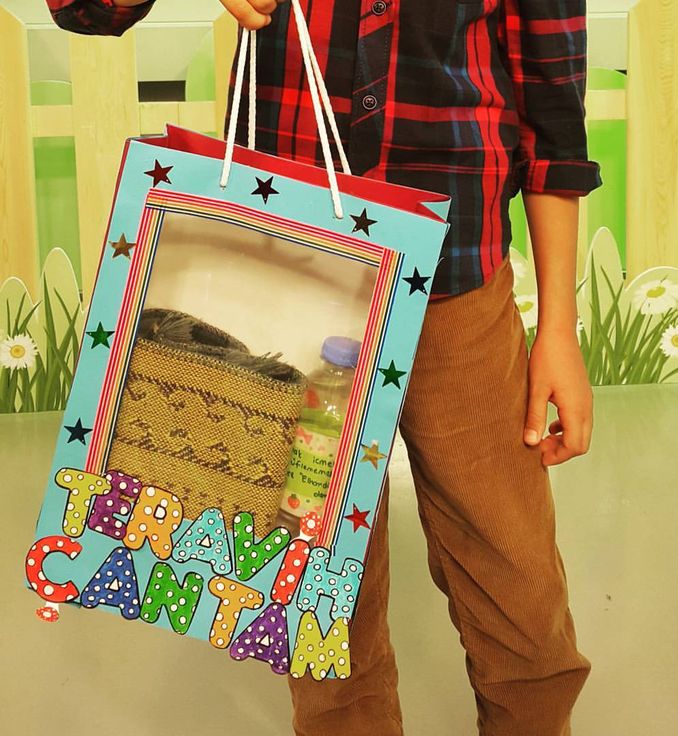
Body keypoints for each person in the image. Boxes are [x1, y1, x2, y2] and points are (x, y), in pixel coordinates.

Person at [45, 1, 603, 734]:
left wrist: (558, 326)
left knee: (518, 582)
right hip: (296, 281)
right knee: (314, 591)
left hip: (456, 283)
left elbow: (552, 117)